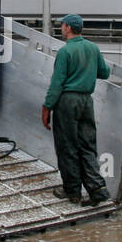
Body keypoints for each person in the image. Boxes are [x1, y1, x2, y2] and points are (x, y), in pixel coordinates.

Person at [41, 14, 110, 206]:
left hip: (67, 102)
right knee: (87, 145)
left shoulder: (65, 52)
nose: (61, 29)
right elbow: (104, 72)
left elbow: (57, 84)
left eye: (62, 26)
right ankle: (97, 188)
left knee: (67, 146)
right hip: (87, 102)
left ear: (69, 28)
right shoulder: (93, 48)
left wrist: (47, 107)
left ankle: (72, 191)